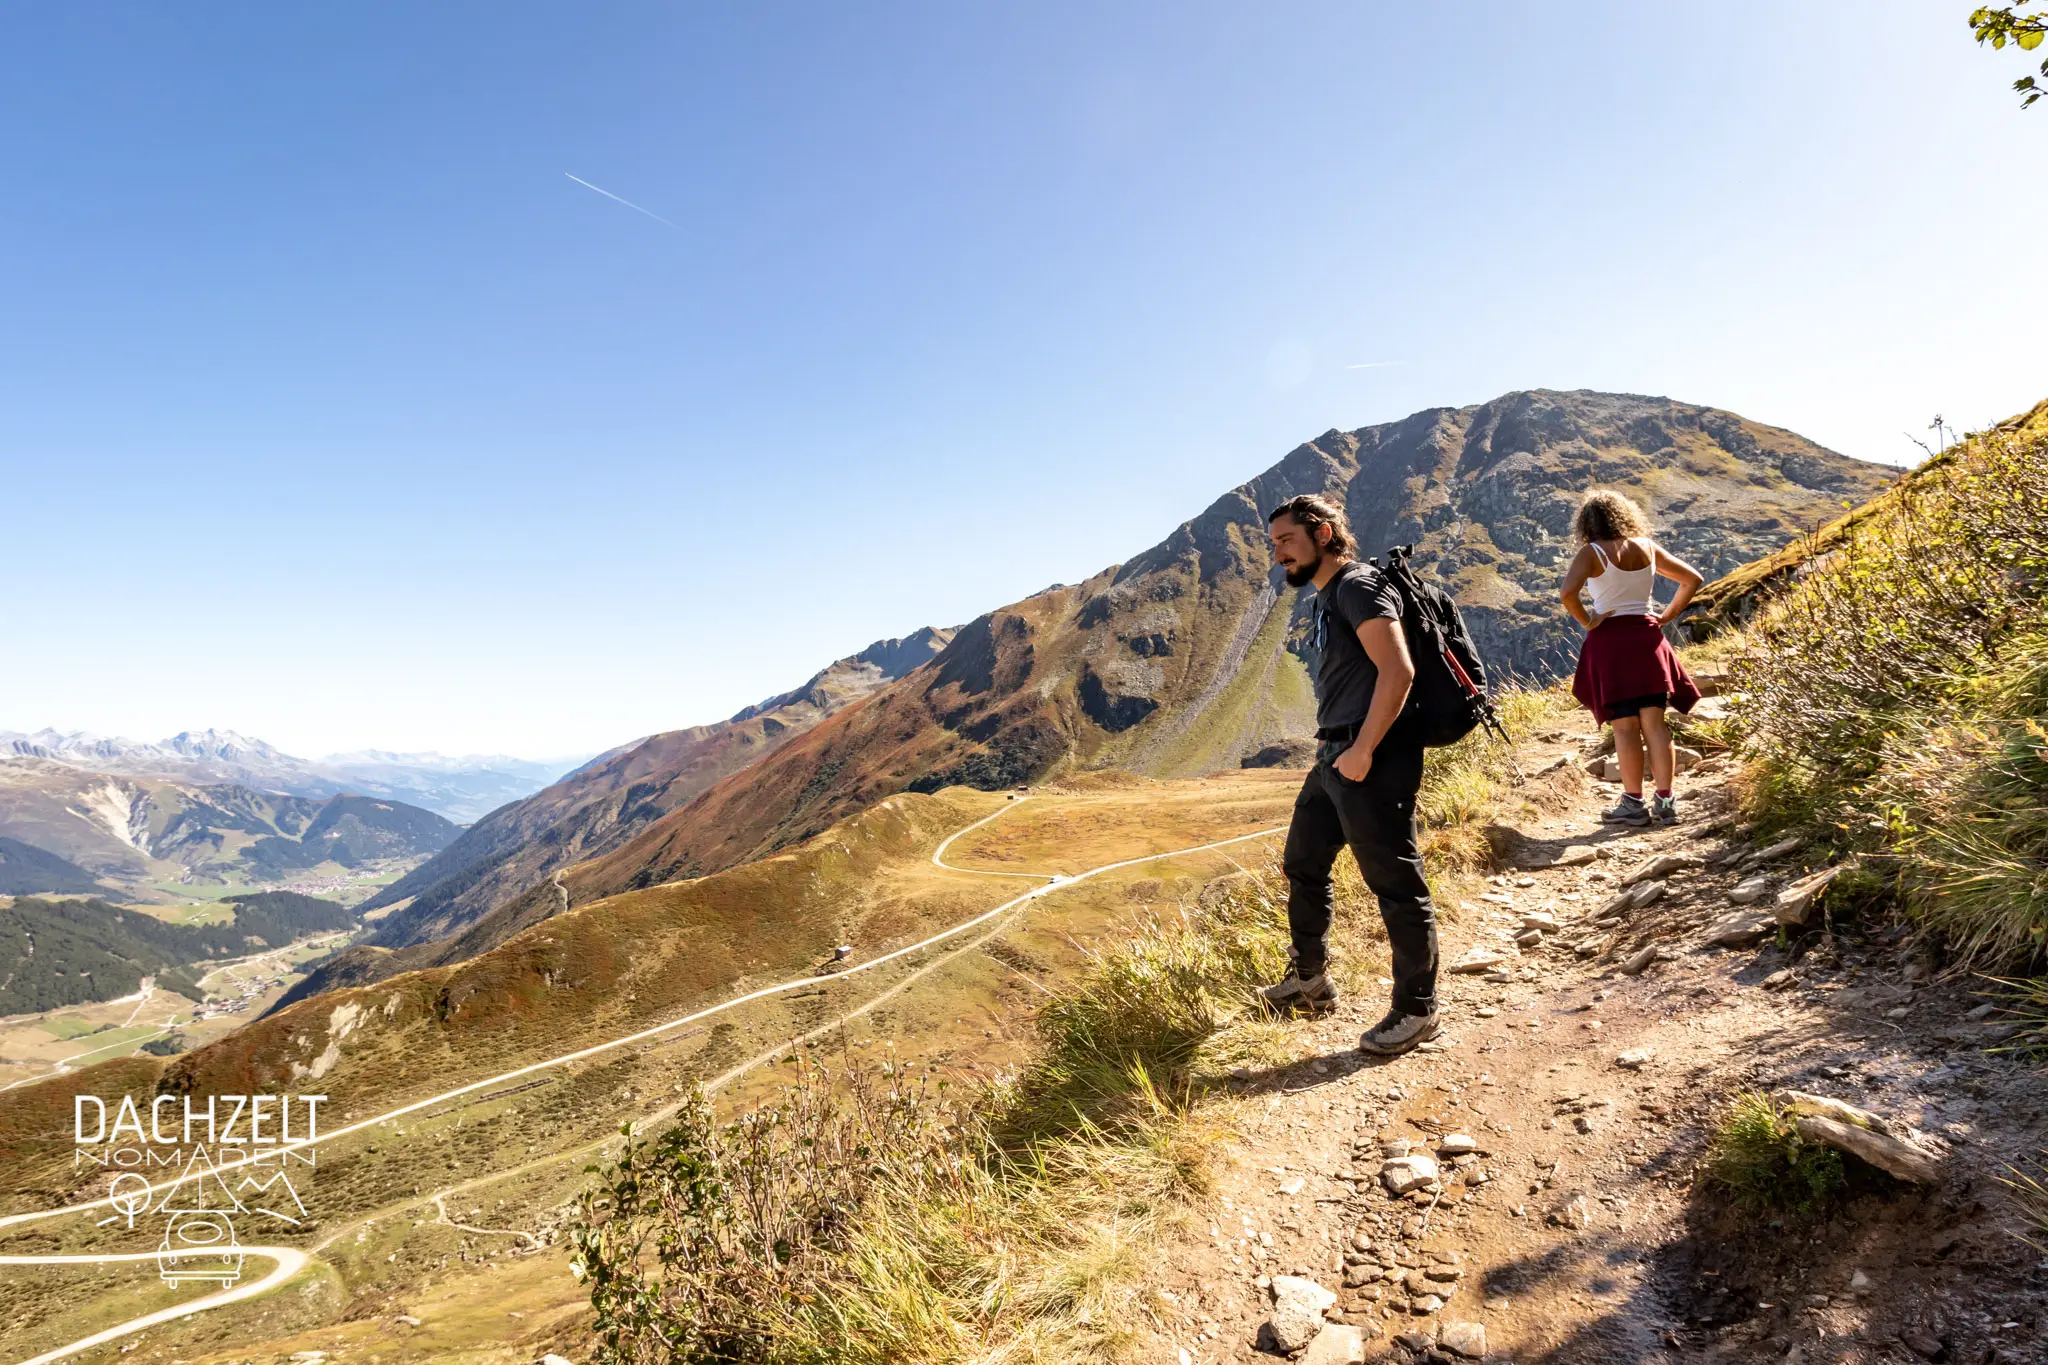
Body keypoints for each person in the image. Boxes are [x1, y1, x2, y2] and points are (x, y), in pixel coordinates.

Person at [1259, 494, 1442, 1057]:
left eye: (1287, 541)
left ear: (1323, 533)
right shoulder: (1328, 596)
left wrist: (1363, 749)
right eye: (1274, 546)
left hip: (1372, 756)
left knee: (1395, 882)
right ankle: (1309, 981)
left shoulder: (1359, 587)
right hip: (1334, 756)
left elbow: (1398, 670)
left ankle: (1417, 1010)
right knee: (1304, 861)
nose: (1280, 555)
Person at [1561, 489, 1706, 826]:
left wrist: (1588, 620)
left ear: (1586, 522)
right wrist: (1667, 615)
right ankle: (1666, 802)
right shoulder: (1646, 547)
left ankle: (1633, 803)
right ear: (1624, 515)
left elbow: (1568, 593)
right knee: (1655, 724)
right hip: (1647, 638)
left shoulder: (1591, 552)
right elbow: (1692, 579)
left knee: (1625, 728)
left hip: (1611, 642)